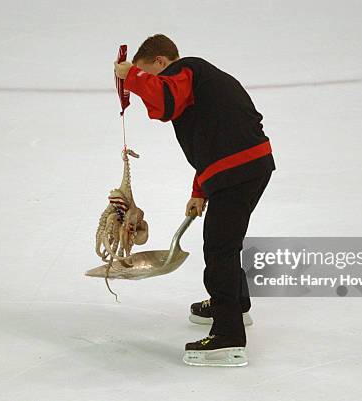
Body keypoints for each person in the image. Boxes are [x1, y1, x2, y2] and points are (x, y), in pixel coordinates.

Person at [114, 34, 275, 367]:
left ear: (161, 63)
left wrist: (131, 74)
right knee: (226, 242)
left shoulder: (186, 70)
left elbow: (166, 99)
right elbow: (214, 137)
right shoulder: (201, 82)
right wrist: (199, 190)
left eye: (151, 75)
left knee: (219, 247)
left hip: (239, 170)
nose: (149, 87)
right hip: (246, 166)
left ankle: (227, 337)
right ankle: (233, 304)